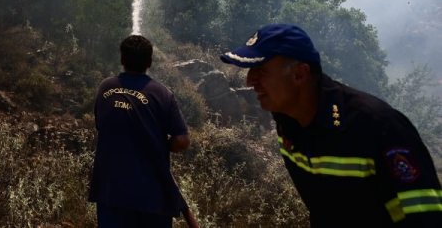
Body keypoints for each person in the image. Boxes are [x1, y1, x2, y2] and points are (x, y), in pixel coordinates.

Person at [221, 23, 442, 227]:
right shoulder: (287, 122)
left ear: (300, 74)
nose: (249, 81)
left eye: (261, 70)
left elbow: (427, 218)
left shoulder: (378, 126)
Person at [89, 34, 196, 228]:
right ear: (150, 62)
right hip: (152, 197)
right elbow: (182, 141)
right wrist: (161, 144)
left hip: (110, 192)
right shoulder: (162, 94)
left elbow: (102, 125)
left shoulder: (105, 87)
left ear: (122, 59)